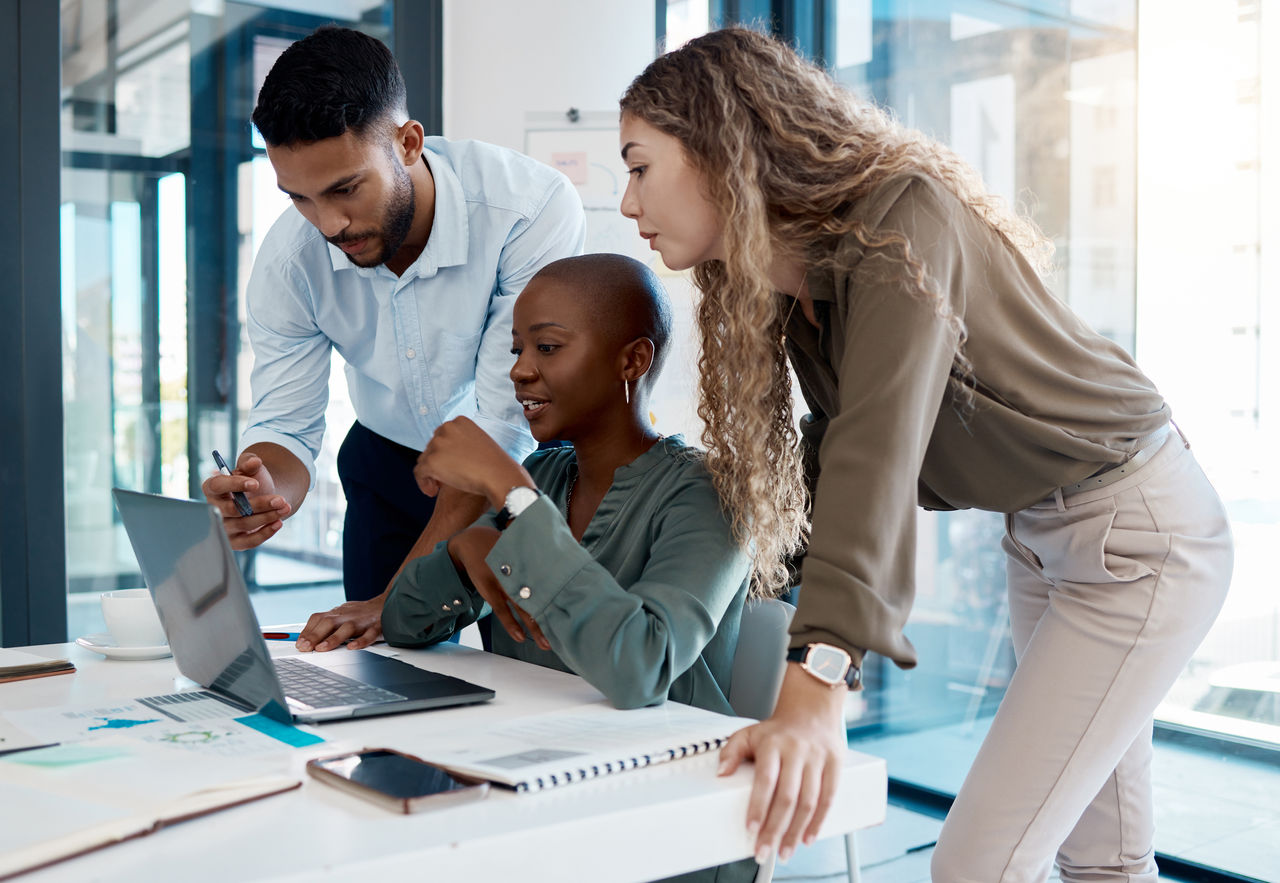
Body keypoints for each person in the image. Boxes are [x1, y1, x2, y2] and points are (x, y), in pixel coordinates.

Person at [617, 27, 1233, 883]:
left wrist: (819, 676)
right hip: (1047, 537)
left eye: (640, 165)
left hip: (1137, 536)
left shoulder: (900, 220)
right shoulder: (807, 288)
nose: (626, 201)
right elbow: (833, 460)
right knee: (1103, 860)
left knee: (980, 863)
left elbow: (879, 451)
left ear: (722, 150)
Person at [199, 26, 584, 653]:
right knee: (381, 681)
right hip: (386, 465)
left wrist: (397, 598)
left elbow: (500, 423)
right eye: (300, 197)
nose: (328, 223)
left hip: (518, 472)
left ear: (408, 143)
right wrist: (266, 490)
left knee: (527, 683)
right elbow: (287, 425)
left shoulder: (527, 210)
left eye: (346, 189)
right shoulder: (290, 261)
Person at [383, 254, 755, 883]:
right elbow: (404, 623)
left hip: (662, 820)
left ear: (632, 361)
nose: (521, 371)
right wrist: (458, 550)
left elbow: (641, 664)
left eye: (548, 347)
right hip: (530, 794)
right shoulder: (547, 478)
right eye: (517, 349)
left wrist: (510, 490)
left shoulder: (709, 493)